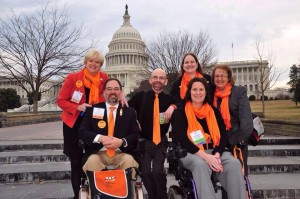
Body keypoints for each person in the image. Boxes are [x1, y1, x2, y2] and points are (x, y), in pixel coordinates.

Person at [172, 77, 246, 199]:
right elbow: (182, 139)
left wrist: (217, 154)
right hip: (192, 152)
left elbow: (223, 136)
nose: (198, 92)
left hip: (215, 151)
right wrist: (206, 157)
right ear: (189, 92)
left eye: (201, 89)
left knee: (234, 163)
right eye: (194, 89)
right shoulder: (181, 112)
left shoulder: (214, 111)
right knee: (200, 165)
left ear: (206, 92)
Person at [56, 49, 108, 199]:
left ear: (100, 65)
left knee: (92, 157)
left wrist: (122, 95)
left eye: (97, 62)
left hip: (95, 123)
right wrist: (77, 107)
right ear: (85, 62)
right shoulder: (73, 78)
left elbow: (113, 91)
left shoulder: (104, 78)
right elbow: (61, 100)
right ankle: (77, 194)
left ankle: (94, 190)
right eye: (91, 61)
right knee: (76, 160)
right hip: (74, 123)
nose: (94, 64)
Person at [128, 69, 175, 199]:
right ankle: (153, 196)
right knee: (146, 172)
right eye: (155, 77)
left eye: (161, 78)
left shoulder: (169, 99)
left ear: (165, 81)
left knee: (158, 172)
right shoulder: (140, 97)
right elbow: (126, 108)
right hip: (143, 141)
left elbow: (182, 104)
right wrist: (134, 120)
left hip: (160, 141)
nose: (157, 80)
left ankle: (161, 196)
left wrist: (173, 107)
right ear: (150, 80)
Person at [79, 78, 139, 174]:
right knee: (92, 161)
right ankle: (96, 189)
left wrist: (121, 142)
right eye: (109, 89)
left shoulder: (130, 112)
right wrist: (101, 138)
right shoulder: (93, 110)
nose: (113, 92)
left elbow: (135, 134)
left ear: (121, 92)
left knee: (129, 161)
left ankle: (127, 188)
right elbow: (83, 131)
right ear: (104, 92)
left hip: (121, 153)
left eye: (116, 89)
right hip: (98, 153)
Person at [212, 65, 253, 176]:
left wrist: (240, 141)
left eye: (222, 76)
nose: (219, 79)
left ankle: (243, 193)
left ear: (229, 77)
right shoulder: (212, 94)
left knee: (239, 175)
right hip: (217, 142)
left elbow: (246, 119)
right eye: (216, 76)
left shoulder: (238, 92)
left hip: (235, 141)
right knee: (223, 177)